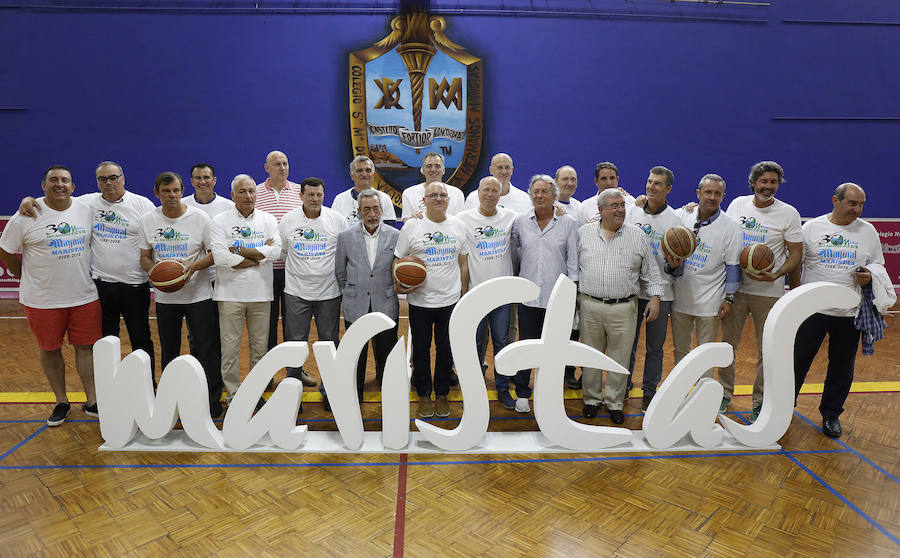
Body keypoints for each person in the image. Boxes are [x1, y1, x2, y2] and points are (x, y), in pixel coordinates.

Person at [17, 161, 157, 384]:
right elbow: (53, 200)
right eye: (103, 179)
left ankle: (149, 387)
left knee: (141, 340)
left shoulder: (142, 205)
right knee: (103, 345)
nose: (109, 183)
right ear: (97, 182)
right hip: (100, 287)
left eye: (113, 177)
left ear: (123, 178)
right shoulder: (86, 203)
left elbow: (154, 241)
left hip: (134, 286)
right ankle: (107, 393)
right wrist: (27, 199)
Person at [0, 165, 101, 426]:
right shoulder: (26, 215)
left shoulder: (85, 208)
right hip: (42, 300)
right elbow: (6, 249)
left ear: (73, 186)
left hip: (84, 295)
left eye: (65, 180)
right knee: (49, 349)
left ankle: (92, 401)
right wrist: (23, 275)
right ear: (43, 185)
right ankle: (61, 401)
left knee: (86, 349)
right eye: (53, 180)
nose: (60, 184)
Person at [792, 183, 886, 438]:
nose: (857, 209)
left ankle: (831, 414)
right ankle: (785, 406)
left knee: (842, 367)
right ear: (835, 200)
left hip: (848, 311)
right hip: (812, 309)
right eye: (852, 203)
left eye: (861, 205)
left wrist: (869, 276)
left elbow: (878, 264)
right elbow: (796, 263)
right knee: (797, 361)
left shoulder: (868, 231)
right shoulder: (811, 228)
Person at [721, 161, 803, 421]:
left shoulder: (788, 213)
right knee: (727, 345)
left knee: (766, 348)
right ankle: (723, 394)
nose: (768, 187)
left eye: (773, 182)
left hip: (768, 291)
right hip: (736, 288)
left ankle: (760, 401)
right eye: (764, 181)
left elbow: (796, 254)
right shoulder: (737, 205)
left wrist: (777, 274)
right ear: (753, 183)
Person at [139, 172, 224, 417]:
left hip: (199, 296)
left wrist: (192, 267)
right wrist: (154, 272)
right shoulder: (148, 220)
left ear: (182, 191)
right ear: (157, 193)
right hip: (166, 299)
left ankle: (210, 399)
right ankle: (172, 399)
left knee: (206, 349)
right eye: (166, 192)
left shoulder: (199, 218)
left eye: (176, 191)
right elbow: (144, 256)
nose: (172, 196)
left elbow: (213, 253)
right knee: (169, 350)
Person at [577, 188, 663, 424]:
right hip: (589, 305)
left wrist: (655, 297)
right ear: (601, 210)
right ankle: (592, 400)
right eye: (614, 205)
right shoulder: (583, 233)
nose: (620, 210)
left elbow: (651, 272)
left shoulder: (637, 235)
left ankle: (614, 402)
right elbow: (573, 268)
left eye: (622, 205)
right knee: (590, 357)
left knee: (620, 358)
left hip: (624, 308)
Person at [395, 182, 469, 419]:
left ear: (448, 200)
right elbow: (398, 259)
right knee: (422, 350)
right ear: (423, 200)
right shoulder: (411, 227)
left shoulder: (458, 225)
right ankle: (425, 394)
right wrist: (400, 285)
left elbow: (463, 261)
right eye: (433, 195)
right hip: (420, 301)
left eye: (442, 195)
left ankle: (443, 394)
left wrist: (463, 292)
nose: (438, 198)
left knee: (447, 349)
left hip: (450, 301)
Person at [207, 175, 281, 407]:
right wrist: (260, 256)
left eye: (251, 191)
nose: (248, 196)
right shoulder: (219, 221)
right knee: (230, 351)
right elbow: (220, 257)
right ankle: (233, 396)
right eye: (242, 192)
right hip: (229, 295)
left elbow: (276, 252)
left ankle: (255, 393)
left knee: (260, 350)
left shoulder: (268, 219)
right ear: (233, 195)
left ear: (256, 194)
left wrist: (238, 248)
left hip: (261, 295)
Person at [669, 174, 742, 407]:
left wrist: (729, 299)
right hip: (681, 297)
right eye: (707, 192)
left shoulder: (731, 226)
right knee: (680, 350)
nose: (712, 197)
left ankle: (703, 401)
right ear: (698, 193)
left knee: (706, 354)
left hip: (710, 301)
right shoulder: (682, 216)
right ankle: (679, 394)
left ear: (723, 196)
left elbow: (733, 265)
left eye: (717, 193)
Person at [510, 174, 579, 413]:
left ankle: (548, 395)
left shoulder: (568, 223)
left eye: (545, 192)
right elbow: (515, 255)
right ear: (531, 195)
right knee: (526, 346)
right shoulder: (519, 222)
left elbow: (573, 261)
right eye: (536, 192)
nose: (540, 196)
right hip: (528, 297)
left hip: (557, 298)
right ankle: (521, 393)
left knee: (554, 350)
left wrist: (574, 294)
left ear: (554, 196)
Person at [279, 177, 348, 399]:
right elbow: (283, 252)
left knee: (329, 344)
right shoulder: (288, 220)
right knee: (295, 343)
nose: (315, 199)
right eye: (310, 195)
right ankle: (292, 393)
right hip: (296, 292)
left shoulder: (337, 220)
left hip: (328, 292)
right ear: (301, 196)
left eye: (319, 195)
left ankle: (330, 391)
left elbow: (343, 254)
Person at [624, 166, 683, 412]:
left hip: (662, 294)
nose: (651, 186)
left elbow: (679, 269)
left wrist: (674, 264)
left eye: (657, 183)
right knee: (627, 344)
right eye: (649, 182)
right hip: (630, 292)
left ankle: (649, 392)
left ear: (668, 189)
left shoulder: (676, 221)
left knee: (654, 348)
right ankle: (622, 387)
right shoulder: (632, 212)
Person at [334, 188, 400, 404]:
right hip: (356, 303)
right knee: (357, 355)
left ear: (382, 210)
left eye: (375, 209)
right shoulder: (345, 237)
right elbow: (340, 272)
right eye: (366, 209)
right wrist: (353, 290)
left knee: (386, 355)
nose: (372, 214)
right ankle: (355, 396)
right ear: (359, 212)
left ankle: (389, 395)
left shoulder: (395, 235)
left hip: (386, 303)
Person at [457, 176, 518, 409]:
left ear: (500, 194)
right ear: (478, 193)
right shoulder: (463, 219)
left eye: (495, 190)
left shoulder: (511, 217)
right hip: (475, 294)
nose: (490, 194)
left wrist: (560, 211)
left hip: (501, 295)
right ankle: (473, 389)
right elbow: (440, 224)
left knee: (502, 342)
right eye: (486, 190)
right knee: (474, 344)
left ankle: (502, 388)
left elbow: (539, 215)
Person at [254, 150, 306, 357]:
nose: (282, 168)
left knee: (293, 323)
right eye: (277, 164)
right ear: (267, 168)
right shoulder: (255, 193)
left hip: (292, 269)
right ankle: (267, 374)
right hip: (264, 270)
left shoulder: (299, 192)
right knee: (267, 322)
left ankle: (294, 370)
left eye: (285, 163)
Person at [331, 156, 398, 228]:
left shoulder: (384, 199)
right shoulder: (340, 200)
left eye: (368, 170)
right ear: (352, 175)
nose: (364, 174)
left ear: (373, 174)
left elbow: (390, 231)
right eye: (359, 171)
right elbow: (333, 229)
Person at [400, 151, 465, 221]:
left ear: (443, 170)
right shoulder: (409, 193)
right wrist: (413, 218)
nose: (433, 169)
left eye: (437, 166)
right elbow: (406, 221)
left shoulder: (457, 193)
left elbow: (460, 222)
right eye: (429, 166)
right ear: (423, 170)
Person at [464, 153, 532, 214]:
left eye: (507, 167)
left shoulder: (524, 198)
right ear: (491, 170)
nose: (504, 172)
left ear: (512, 170)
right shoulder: (474, 197)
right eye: (500, 168)